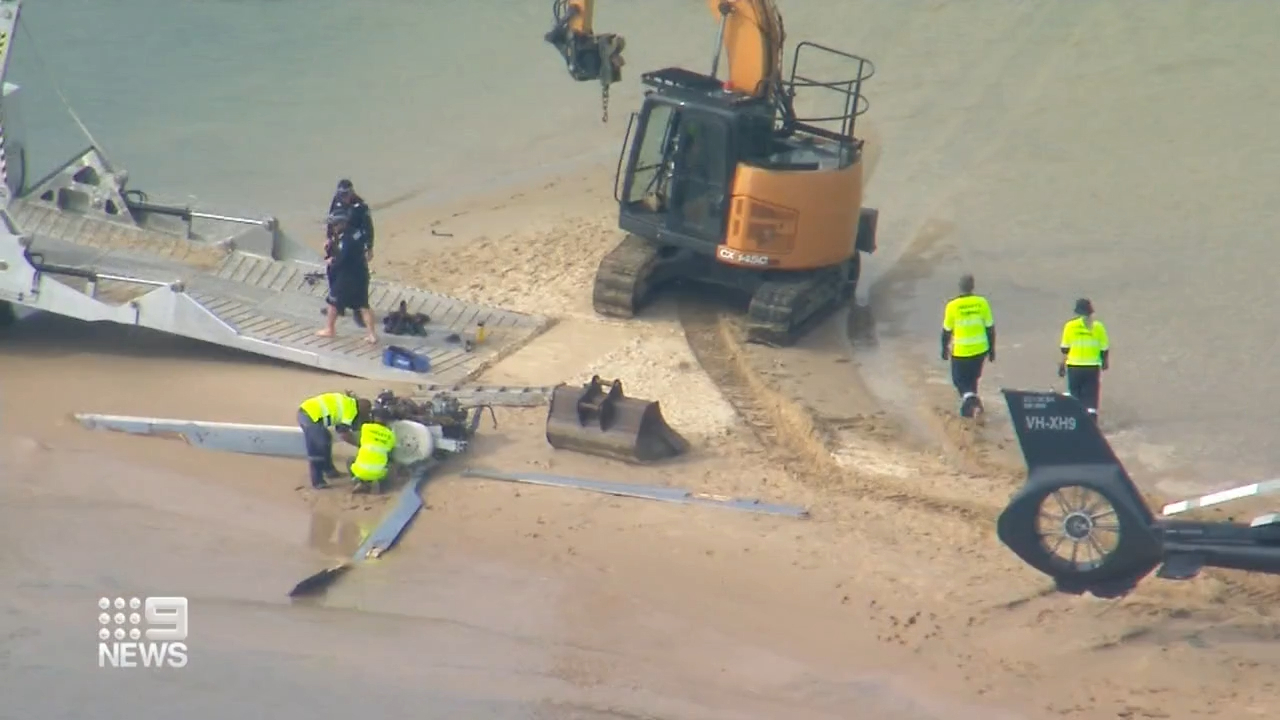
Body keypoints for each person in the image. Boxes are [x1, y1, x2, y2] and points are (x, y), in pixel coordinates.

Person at [317, 208, 378, 344]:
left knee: (333, 302)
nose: (333, 227)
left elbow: (343, 258)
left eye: (334, 225)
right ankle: (372, 334)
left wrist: (331, 261)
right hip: (361, 273)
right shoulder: (356, 232)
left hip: (347, 276)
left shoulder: (346, 239)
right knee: (363, 305)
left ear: (341, 224)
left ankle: (329, 329)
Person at [940, 274, 996, 418]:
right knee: (972, 379)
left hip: (961, 351)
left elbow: (946, 331)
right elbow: (990, 328)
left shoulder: (952, 306)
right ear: (973, 286)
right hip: (980, 350)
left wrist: (944, 349)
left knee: (958, 380)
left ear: (960, 287)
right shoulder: (982, 303)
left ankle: (971, 403)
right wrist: (992, 350)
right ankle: (974, 407)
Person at [297, 392, 370, 489]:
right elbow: (344, 435)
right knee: (318, 447)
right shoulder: (351, 412)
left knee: (326, 438)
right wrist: (361, 445)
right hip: (309, 416)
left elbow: (339, 428)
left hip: (307, 411)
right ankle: (317, 481)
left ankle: (330, 471)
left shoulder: (349, 403)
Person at [1059, 298, 1109, 421]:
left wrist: (1062, 365)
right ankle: (1091, 423)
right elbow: (1104, 348)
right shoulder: (1098, 327)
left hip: (1074, 367)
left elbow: (1065, 349)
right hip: (1092, 367)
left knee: (1075, 395)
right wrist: (1104, 362)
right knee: (1091, 397)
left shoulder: (1070, 326)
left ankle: (1076, 421)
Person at [350, 407, 397, 494]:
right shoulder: (391, 435)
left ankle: (360, 482)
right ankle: (383, 487)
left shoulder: (365, 428)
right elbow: (390, 449)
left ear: (373, 417)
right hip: (378, 473)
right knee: (391, 464)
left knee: (350, 460)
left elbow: (359, 441)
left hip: (360, 470)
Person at [330, 179, 375, 262]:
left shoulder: (361, 206)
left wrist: (370, 247)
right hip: (341, 237)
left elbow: (368, 227)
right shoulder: (336, 200)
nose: (344, 197)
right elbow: (331, 221)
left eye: (346, 194)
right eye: (341, 194)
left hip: (356, 237)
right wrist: (329, 238)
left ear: (352, 193)